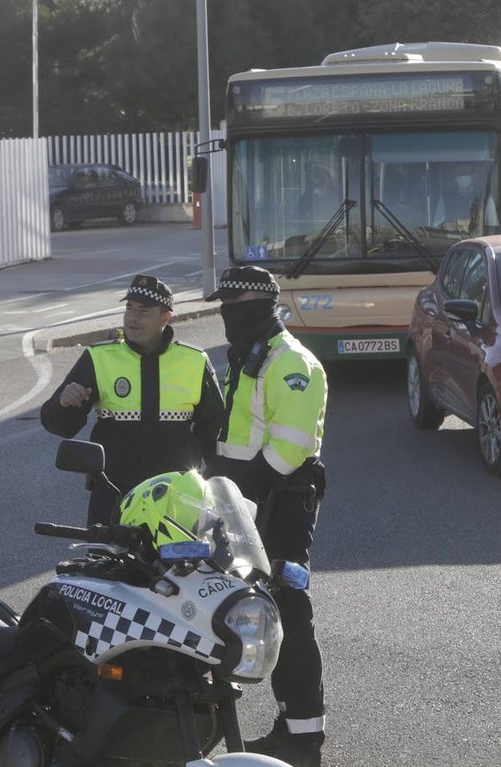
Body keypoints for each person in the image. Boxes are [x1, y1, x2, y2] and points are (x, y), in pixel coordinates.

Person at [204, 265, 328, 767]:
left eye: (232, 307)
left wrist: (240, 488)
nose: (225, 316)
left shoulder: (292, 362)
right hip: (245, 502)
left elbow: (290, 449)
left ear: (257, 306)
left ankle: (302, 735)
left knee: (287, 612)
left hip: (278, 502)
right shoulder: (250, 357)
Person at [40, 274, 225, 526]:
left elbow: (216, 426)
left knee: (180, 565)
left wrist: (208, 477)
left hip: (175, 495)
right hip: (113, 494)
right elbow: (59, 425)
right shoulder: (99, 357)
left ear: (165, 317)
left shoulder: (194, 360)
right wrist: (63, 403)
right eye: (129, 308)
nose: (132, 318)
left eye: (143, 311)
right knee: (102, 564)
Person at [433, 161, 498, 232]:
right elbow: (437, 224)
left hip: (478, 239)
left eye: (466, 172)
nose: (463, 176)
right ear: (455, 176)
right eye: (460, 173)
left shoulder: (485, 196)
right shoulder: (446, 197)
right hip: (452, 240)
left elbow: (493, 225)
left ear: (472, 175)